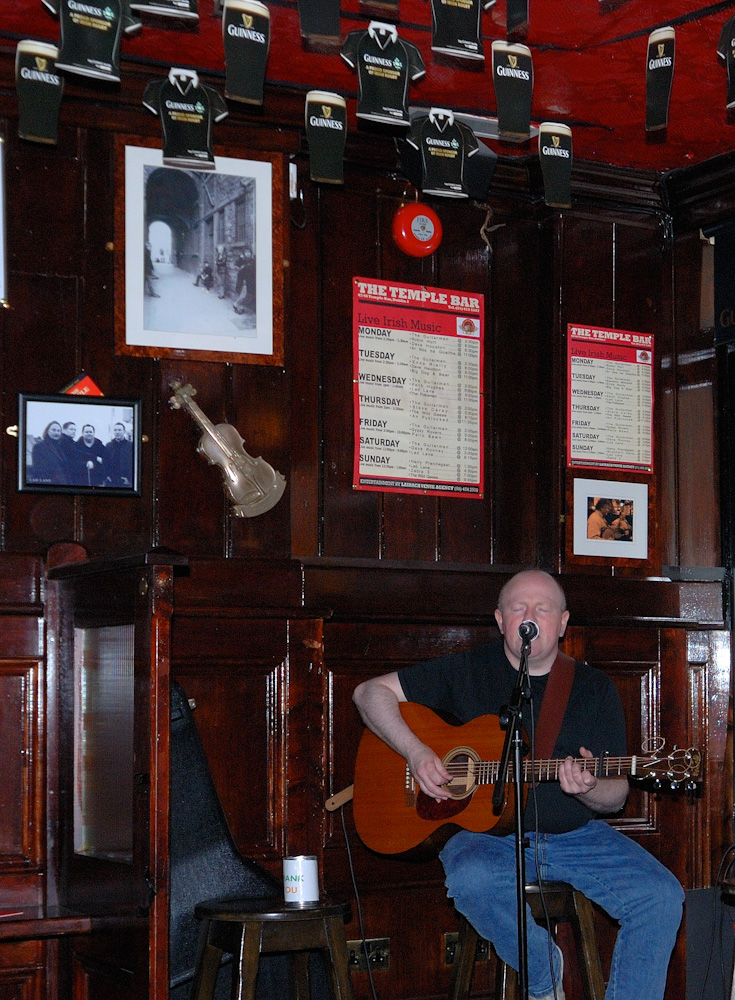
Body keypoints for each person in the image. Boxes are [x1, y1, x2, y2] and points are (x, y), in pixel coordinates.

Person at [352, 569, 683, 1000]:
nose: (531, 616)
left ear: (562, 622)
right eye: (518, 608)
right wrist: (416, 751)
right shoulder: (467, 669)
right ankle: (543, 974)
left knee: (660, 896)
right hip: (486, 838)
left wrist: (588, 788)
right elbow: (367, 694)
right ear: (500, 619)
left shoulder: (593, 689)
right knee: (470, 879)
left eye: (542, 609)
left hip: (575, 836)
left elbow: (616, 795)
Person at [104, 422, 133, 487]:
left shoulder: (130, 445)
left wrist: (129, 479)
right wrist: (106, 476)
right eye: (115, 430)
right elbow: (105, 462)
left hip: (126, 481)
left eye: (119, 430)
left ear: (124, 431)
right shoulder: (109, 445)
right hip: (111, 481)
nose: (117, 432)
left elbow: (132, 463)